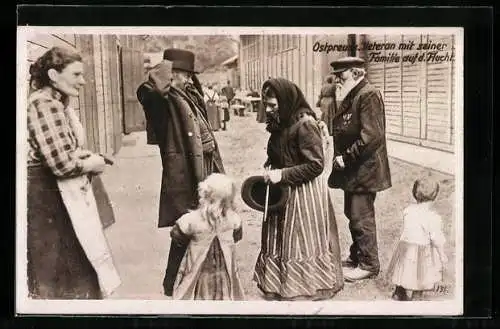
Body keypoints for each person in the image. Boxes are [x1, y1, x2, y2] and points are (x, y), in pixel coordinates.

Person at [27, 46, 121, 299]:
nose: (83, 81)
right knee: (64, 275)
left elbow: (62, 151)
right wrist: (92, 164)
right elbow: (61, 165)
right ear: (54, 75)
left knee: (77, 270)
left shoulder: (56, 103)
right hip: (49, 201)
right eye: (77, 74)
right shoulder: (45, 105)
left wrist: (84, 155)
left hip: (59, 198)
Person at [136, 48, 225, 297]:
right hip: (184, 174)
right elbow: (147, 91)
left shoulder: (187, 97)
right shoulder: (162, 103)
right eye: (184, 74)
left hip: (203, 168)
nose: (189, 80)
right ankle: (171, 283)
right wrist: (164, 68)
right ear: (170, 74)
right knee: (186, 227)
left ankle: (194, 281)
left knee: (203, 223)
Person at [253, 78, 344, 301]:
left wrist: (282, 174)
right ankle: (278, 284)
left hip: (303, 194)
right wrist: (270, 164)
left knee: (299, 241)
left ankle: (305, 287)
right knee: (279, 239)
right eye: (267, 104)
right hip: (282, 191)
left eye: (273, 105)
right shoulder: (282, 121)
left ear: (286, 101)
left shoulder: (304, 124)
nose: (269, 109)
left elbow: (316, 165)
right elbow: (280, 150)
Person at [327, 56, 392, 282]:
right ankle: (357, 256)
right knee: (351, 213)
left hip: (363, 168)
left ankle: (368, 264)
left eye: (341, 75)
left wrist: (346, 157)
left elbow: (372, 136)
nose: (337, 80)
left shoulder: (368, 94)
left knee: (360, 216)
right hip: (354, 169)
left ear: (356, 73)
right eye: (336, 76)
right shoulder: (354, 93)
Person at [170, 173, 245, 300]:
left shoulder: (193, 219)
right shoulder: (232, 219)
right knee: (225, 293)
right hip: (223, 270)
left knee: (196, 291)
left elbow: (176, 234)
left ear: (204, 195)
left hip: (199, 270)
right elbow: (238, 235)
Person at [386, 178, 449, 301]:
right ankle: (417, 296)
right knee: (421, 275)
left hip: (405, 247)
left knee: (403, 269)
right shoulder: (433, 217)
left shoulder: (408, 210)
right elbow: (436, 238)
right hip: (421, 249)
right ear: (435, 196)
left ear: (414, 194)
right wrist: (441, 254)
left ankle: (399, 292)